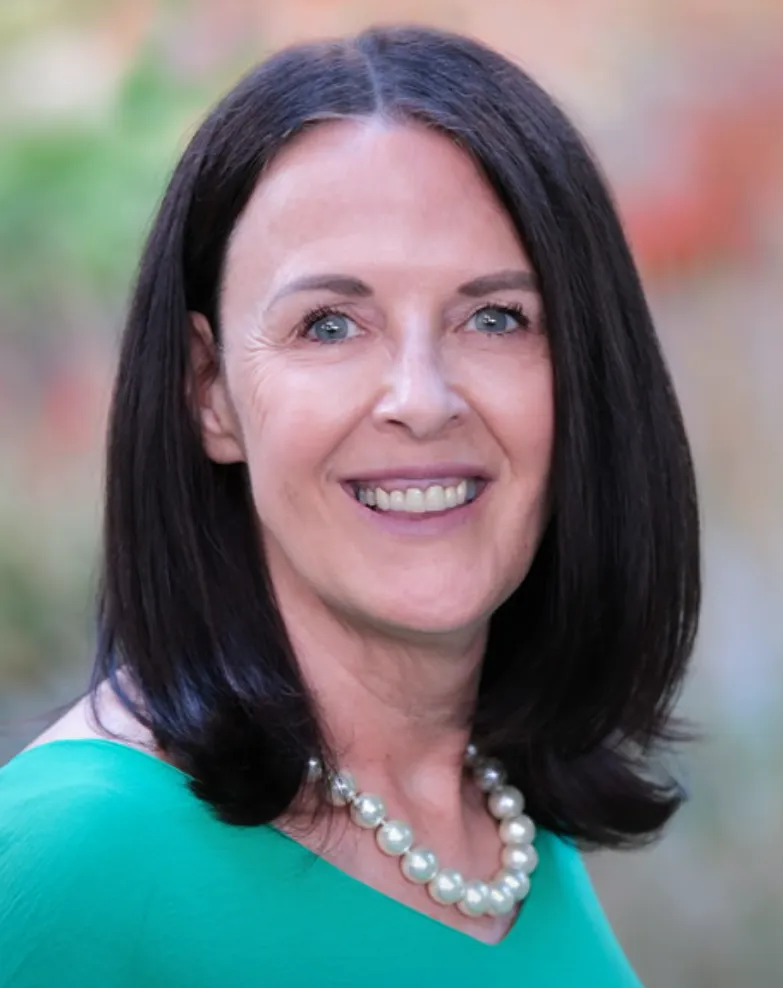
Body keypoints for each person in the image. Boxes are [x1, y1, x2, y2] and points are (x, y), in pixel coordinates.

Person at [0, 24, 700, 987]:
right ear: (209, 391)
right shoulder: (65, 861)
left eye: (494, 317)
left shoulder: (511, 837)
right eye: (329, 325)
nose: (420, 397)